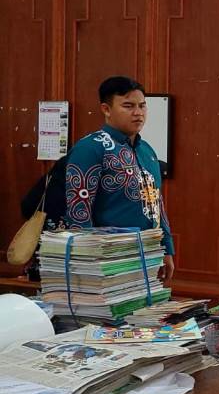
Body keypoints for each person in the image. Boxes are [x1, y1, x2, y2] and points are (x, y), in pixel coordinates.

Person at [65, 76, 174, 280]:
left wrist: (167, 248)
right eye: (128, 106)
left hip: (148, 254)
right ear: (106, 109)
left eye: (142, 106)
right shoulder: (90, 148)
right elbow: (78, 211)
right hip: (108, 259)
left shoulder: (147, 151)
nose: (138, 113)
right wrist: (90, 265)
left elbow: (157, 202)